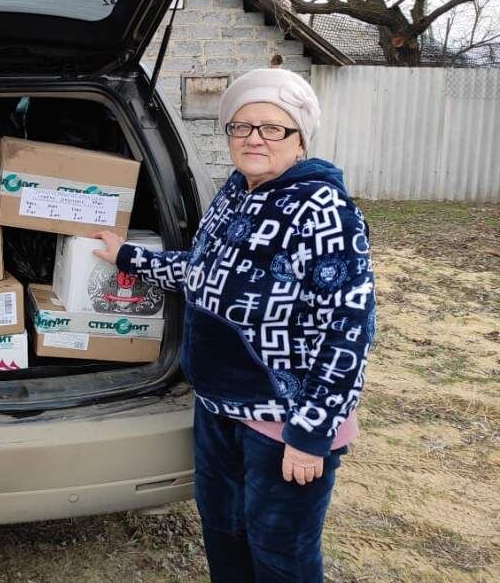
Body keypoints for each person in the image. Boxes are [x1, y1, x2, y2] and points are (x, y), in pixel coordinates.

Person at [95, 67, 376, 583]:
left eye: (273, 128)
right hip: (218, 407)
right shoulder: (234, 194)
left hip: (281, 417)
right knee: (222, 533)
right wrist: (130, 257)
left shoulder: (324, 209)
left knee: (280, 556)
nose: (254, 138)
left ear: (299, 139)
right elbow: (205, 274)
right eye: (241, 127)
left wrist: (312, 433)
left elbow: (349, 328)